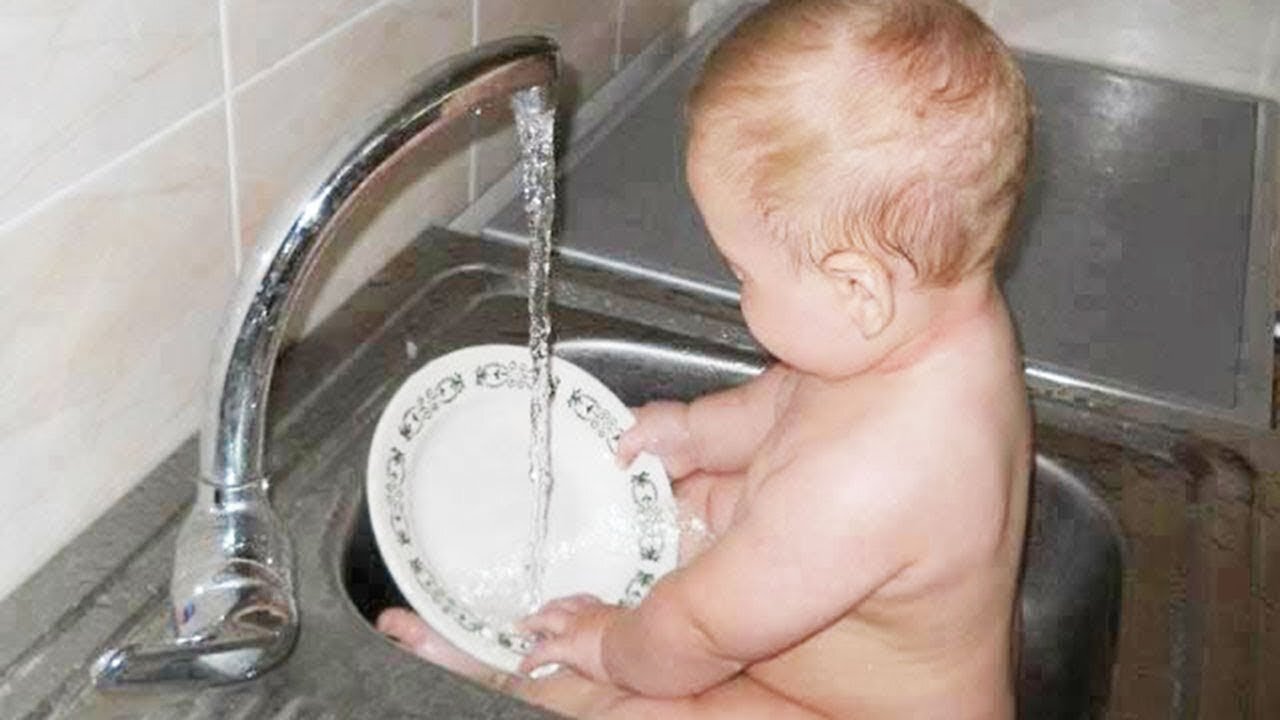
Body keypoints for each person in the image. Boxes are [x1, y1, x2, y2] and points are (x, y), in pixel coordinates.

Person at [378, 0, 1034, 716]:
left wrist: (605, 643)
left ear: (857, 289)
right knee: (690, 505)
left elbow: (696, 632)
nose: (736, 291)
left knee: (651, 709)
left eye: (745, 274)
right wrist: (694, 431)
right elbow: (795, 396)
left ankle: (518, 682)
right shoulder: (936, 328)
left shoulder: (870, 479)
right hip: (821, 643)